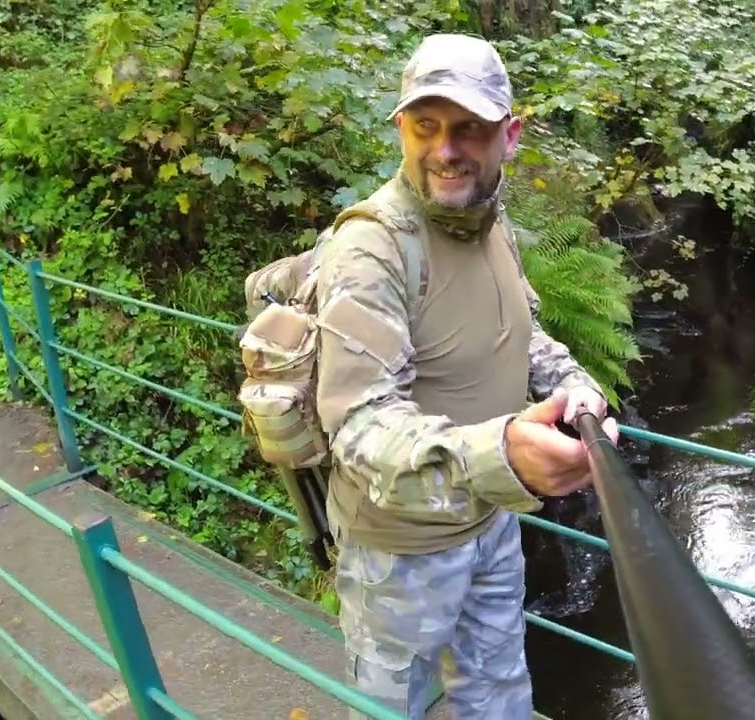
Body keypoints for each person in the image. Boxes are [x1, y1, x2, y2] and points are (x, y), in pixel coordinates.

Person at [310, 33, 620, 720]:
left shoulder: (489, 223)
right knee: (396, 709)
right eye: (427, 126)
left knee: (500, 691)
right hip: (400, 553)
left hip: (491, 520)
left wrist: (574, 385)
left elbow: (520, 331)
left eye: (469, 129)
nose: (446, 149)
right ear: (401, 129)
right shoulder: (372, 249)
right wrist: (502, 453)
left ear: (508, 136)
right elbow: (359, 426)